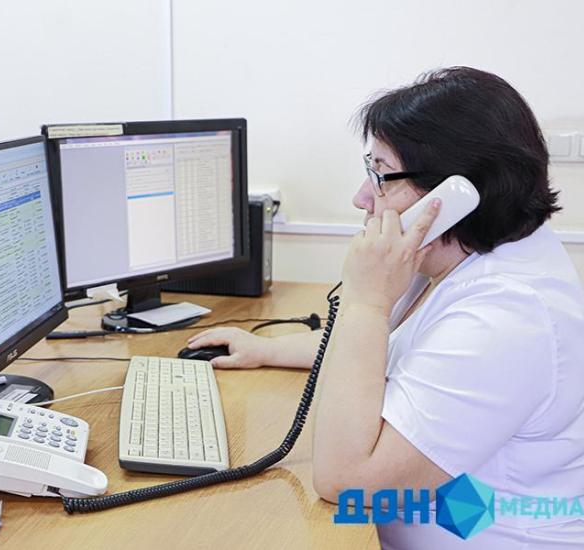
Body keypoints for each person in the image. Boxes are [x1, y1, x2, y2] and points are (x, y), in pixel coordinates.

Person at [186, 67, 584, 549]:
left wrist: (366, 301)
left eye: (381, 175)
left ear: (455, 196)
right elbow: (394, 351)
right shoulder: (462, 259)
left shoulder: (506, 319)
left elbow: (349, 483)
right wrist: (265, 350)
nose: (361, 198)